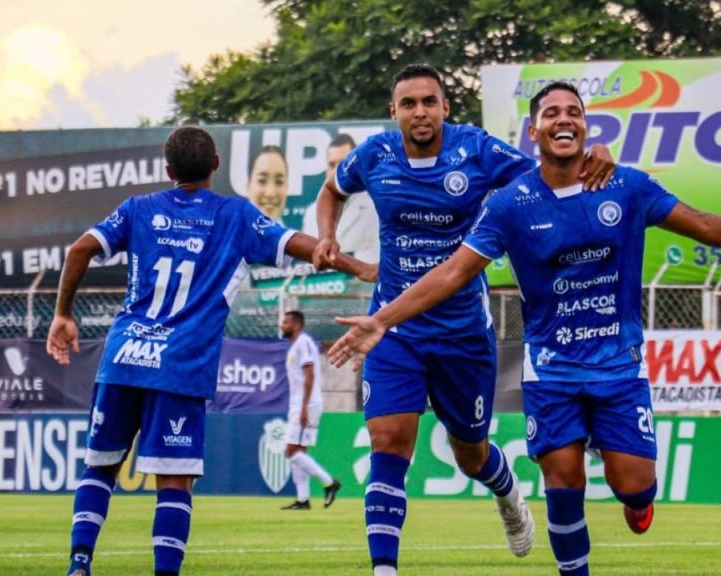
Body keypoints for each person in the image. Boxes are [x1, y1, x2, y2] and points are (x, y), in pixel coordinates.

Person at [327, 82, 721, 575]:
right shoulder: (510, 205)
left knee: (634, 487)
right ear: (533, 132)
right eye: (550, 114)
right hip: (549, 371)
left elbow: (705, 225)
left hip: (616, 368)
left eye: (572, 113)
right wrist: (381, 319)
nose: (562, 120)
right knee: (559, 477)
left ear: (586, 127)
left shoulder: (627, 186)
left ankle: (630, 495)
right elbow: (454, 271)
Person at [310, 65, 616, 576]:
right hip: (392, 326)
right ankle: (384, 569)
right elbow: (331, 191)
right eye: (409, 104)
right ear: (395, 112)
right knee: (388, 441)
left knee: (470, 456)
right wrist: (327, 236)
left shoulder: (476, 149)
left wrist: (592, 158)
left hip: (463, 334)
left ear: (445, 108)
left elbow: (550, 172)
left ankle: (507, 492)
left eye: (430, 102)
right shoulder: (374, 155)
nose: (420, 112)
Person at [46, 126, 373, 576]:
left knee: (100, 467)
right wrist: (358, 264)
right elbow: (306, 247)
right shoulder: (235, 216)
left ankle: (79, 564)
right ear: (216, 166)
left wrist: (63, 314)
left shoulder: (138, 209)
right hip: (179, 367)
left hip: (124, 358)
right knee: (175, 481)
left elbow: (81, 248)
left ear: (167, 170)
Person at [279, 310, 342, 510]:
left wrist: (304, 407)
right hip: (300, 403)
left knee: (290, 451)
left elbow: (310, 375)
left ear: (297, 324)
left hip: (306, 404)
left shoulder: (303, 343)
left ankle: (329, 482)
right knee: (299, 451)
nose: (282, 325)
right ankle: (303, 500)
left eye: (286, 322)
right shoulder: (295, 346)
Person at [303, 133, 380, 262]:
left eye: (343, 164)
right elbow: (305, 262)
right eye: (332, 165)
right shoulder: (311, 213)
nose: (336, 171)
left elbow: (372, 262)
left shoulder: (376, 209)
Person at [247, 145, 289, 223]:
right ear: (248, 186)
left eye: (279, 182)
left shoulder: (296, 235)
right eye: (262, 181)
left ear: (287, 187)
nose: (270, 193)